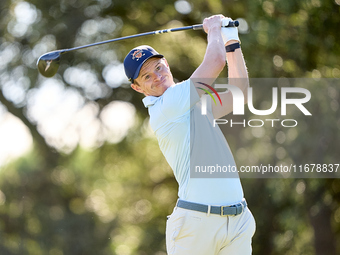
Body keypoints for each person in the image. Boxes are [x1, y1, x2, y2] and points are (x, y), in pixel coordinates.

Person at [123, 14, 255, 255]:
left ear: (167, 64)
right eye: (147, 77)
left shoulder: (193, 102)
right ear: (137, 88)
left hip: (237, 221)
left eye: (159, 68)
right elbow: (215, 61)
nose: (158, 78)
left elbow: (239, 93)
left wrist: (232, 41)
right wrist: (214, 29)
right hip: (196, 225)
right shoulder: (166, 107)